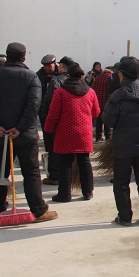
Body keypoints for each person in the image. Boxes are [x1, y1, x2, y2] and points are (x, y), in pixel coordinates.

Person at [0, 42, 57, 224]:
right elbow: (33, 106)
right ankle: (38, 210)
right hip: (25, 135)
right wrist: (20, 128)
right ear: (23, 57)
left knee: (0, 174)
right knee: (31, 173)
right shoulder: (31, 77)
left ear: (7, 56)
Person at [102, 58, 139, 226]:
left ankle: (125, 217)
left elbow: (108, 120)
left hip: (123, 147)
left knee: (121, 182)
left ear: (121, 75)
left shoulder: (117, 96)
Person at [43, 62, 100, 202]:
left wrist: (48, 130)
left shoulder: (60, 92)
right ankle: (88, 192)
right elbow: (96, 112)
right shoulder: (90, 92)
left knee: (65, 163)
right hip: (84, 132)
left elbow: (53, 114)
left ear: (68, 75)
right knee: (84, 161)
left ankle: (64, 194)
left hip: (65, 132)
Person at [40, 55, 74, 185]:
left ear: (61, 66)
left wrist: (46, 118)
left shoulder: (56, 81)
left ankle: (54, 176)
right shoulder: (79, 81)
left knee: (54, 147)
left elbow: (49, 103)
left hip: (56, 120)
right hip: (73, 121)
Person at [92, 66, 114, 141]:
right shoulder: (110, 77)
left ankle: (98, 137)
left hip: (98, 102)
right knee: (107, 120)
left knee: (99, 121)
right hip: (107, 102)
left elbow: (94, 89)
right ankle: (108, 137)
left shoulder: (98, 78)